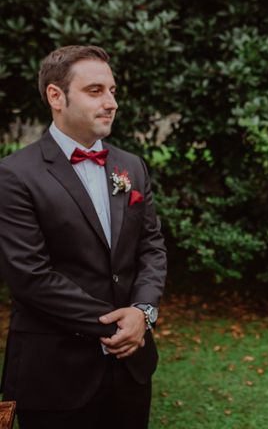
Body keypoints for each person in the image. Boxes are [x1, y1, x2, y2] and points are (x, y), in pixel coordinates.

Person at [0, 45, 167, 428]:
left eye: (113, 91)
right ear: (55, 96)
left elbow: (151, 246)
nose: (110, 102)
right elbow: (30, 276)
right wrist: (119, 326)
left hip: (131, 368)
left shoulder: (132, 167)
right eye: (95, 91)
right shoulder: (14, 175)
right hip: (54, 372)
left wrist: (143, 312)